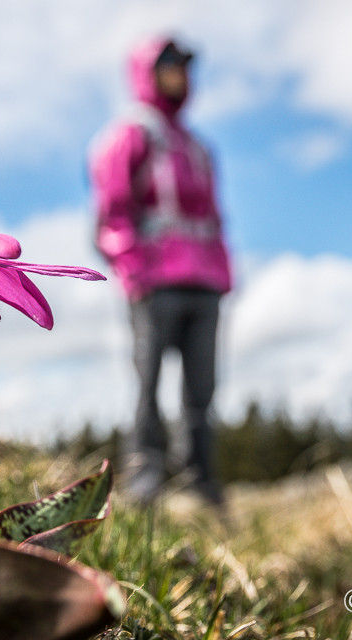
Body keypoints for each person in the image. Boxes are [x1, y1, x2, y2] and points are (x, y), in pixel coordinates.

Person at [88, 36, 233, 505]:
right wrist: (134, 271)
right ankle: (144, 488)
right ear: (147, 71)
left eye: (185, 65)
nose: (180, 72)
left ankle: (201, 487)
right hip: (155, 286)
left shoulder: (197, 147)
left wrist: (223, 274)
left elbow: (214, 216)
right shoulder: (131, 136)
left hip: (204, 285)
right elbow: (112, 211)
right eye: (169, 63)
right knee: (147, 385)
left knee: (202, 391)